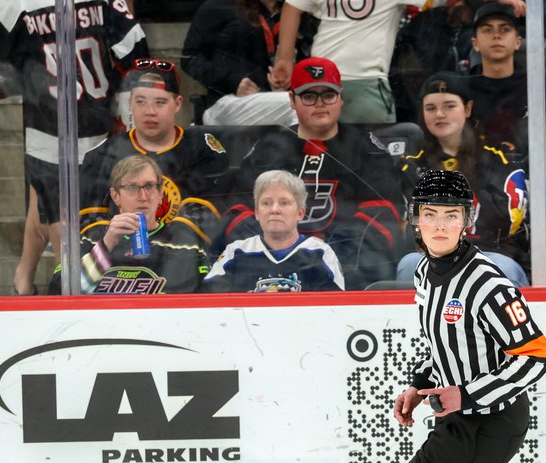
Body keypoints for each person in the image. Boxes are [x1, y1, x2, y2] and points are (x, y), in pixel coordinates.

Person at [326, 169, 546, 463]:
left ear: (467, 220)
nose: (440, 225)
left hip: (487, 423)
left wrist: (465, 394)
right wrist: (420, 383)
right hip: (469, 418)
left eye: (451, 215)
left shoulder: (487, 284)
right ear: (415, 219)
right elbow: (447, 344)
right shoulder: (425, 272)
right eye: (430, 215)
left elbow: (537, 356)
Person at [0, 0, 148, 295]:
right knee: (56, 210)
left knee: (52, 206)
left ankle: (35, 281)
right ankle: (65, 289)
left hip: (51, 129)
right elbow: (136, 49)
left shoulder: (15, 3)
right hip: (92, 125)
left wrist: (17, 80)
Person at [223, 57, 405, 288]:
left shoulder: (367, 149)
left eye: (328, 95)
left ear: (341, 98)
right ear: (292, 100)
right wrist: (277, 249)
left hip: (348, 269)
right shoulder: (269, 148)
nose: (320, 104)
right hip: (267, 268)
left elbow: (383, 215)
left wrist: (325, 253)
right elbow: (238, 209)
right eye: (309, 96)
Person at [268, 0, 526, 124]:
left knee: (319, 151)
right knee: (369, 156)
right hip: (362, 83)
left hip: (321, 80)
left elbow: (291, 6)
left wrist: (285, 59)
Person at [397, 71, 529, 286]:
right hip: (433, 256)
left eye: (449, 106)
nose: (440, 114)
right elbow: (410, 226)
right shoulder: (411, 164)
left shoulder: (498, 158)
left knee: (502, 268)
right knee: (409, 264)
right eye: (431, 108)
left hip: (490, 254)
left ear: (467, 108)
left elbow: (509, 220)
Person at [80, 59, 230, 213]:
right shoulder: (104, 156)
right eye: (140, 102)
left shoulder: (203, 151)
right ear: (130, 103)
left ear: (177, 104)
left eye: (160, 102)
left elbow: (211, 214)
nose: (150, 111)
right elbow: (90, 219)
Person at [48, 155, 211, 294]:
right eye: (132, 187)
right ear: (116, 196)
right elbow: (57, 292)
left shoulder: (184, 242)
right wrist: (107, 244)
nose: (143, 197)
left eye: (149, 186)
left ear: (160, 194)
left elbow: (207, 300)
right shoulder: (89, 238)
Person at [204, 169, 344, 292]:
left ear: (300, 213)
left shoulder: (320, 253)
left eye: (284, 203)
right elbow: (210, 304)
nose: (274, 209)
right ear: (257, 212)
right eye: (266, 203)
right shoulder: (236, 252)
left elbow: (335, 308)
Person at [182, 0, 316, 126]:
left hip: (275, 100)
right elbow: (189, 58)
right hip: (227, 101)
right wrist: (233, 81)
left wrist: (286, 81)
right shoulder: (220, 5)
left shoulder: (297, 12)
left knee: (315, 104)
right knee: (306, 104)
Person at [466, 2, 527, 146]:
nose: (496, 36)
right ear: (475, 44)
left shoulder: (537, 85)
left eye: (505, 29)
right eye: (487, 30)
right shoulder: (463, 89)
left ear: (517, 42)